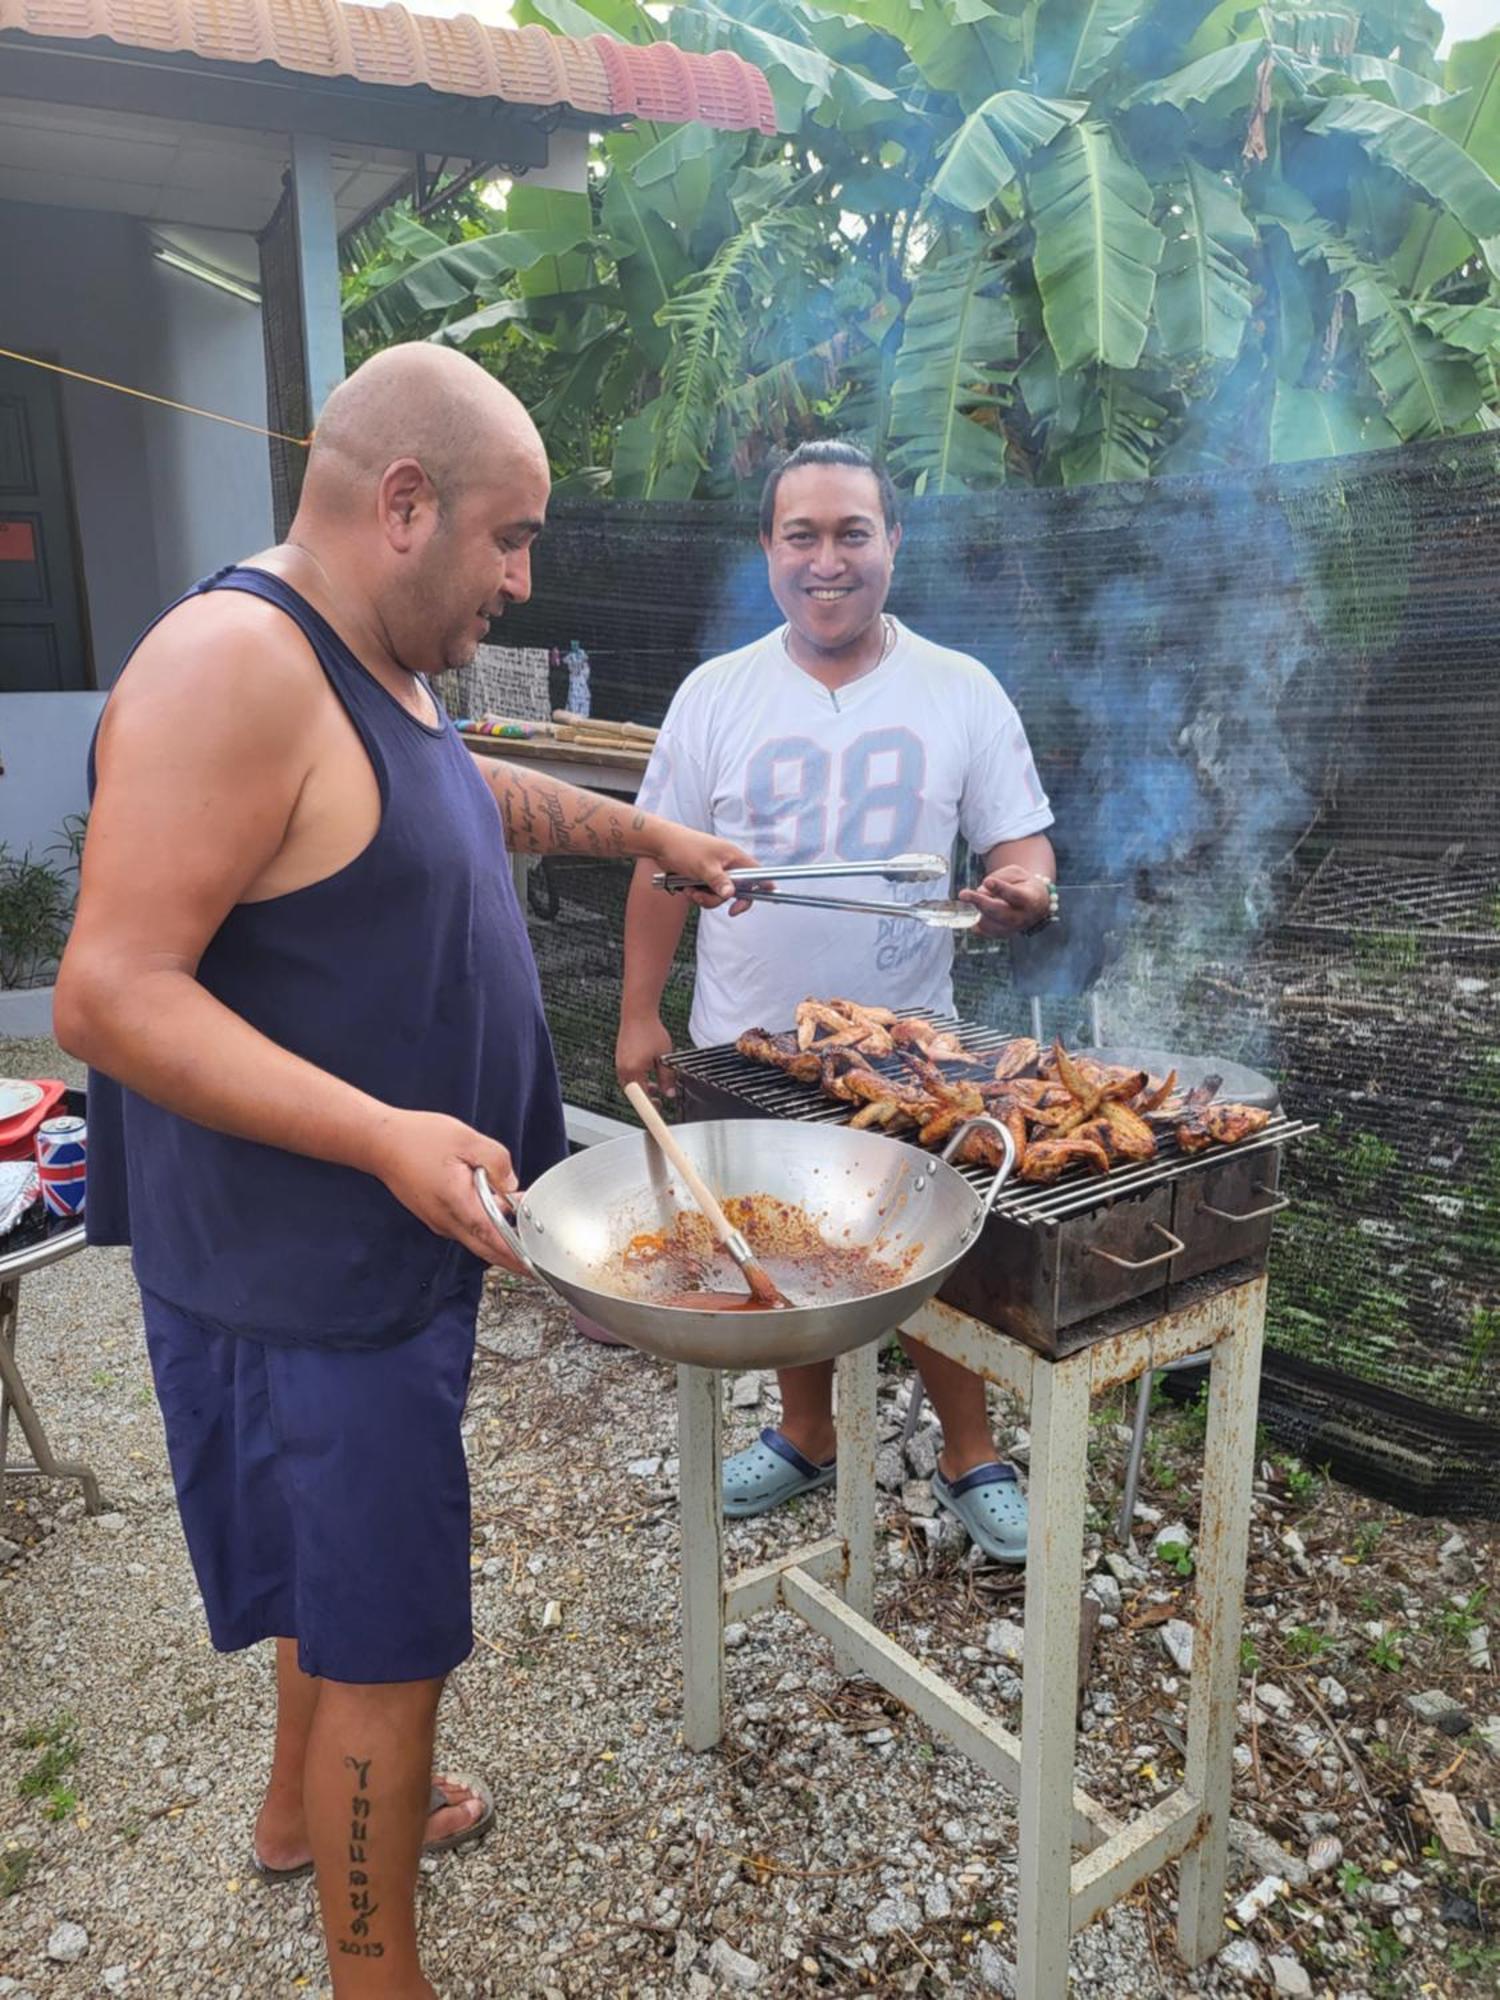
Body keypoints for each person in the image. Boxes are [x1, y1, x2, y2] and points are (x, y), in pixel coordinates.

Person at [53, 343, 757, 2000]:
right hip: (307, 1278)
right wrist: (379, 1131)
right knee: (388, 1633)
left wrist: (642, 835)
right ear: (404, 504)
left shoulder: (375, 659)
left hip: (378, 1264)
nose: (521, 581)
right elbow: (109, 989)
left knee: (337, 1572)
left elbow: (448, 792)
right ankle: (378, 1977)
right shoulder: (232, 665)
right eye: (510, 541)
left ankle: (304, 1813)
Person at [615, 440, 1056, 1565]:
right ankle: (805, 1429)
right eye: (801, 534)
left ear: (892, 544)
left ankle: (970, 1450)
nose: (827, 559)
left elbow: (1021, 844)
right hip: (746, 1039)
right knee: (778, 1243)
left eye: (852, 532)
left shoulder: (961, 689)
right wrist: (638, 1010)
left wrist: (1024, 889)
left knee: (926, 1251)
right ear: (768, 548)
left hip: (912, 1054)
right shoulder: (716, 695)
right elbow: (655, 866)